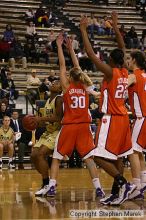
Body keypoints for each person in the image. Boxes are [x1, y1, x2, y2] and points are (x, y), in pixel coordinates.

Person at [80, 12, 136, 205]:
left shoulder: (110, 72)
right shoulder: (124, 70)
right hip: (123, 118)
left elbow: (90, 54)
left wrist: (83, 30)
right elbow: (122, 47)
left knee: (96, 156)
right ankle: (116, 192)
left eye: (108, 58)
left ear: (111, 61)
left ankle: (122, 183)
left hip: (111, 118)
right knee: (118, 156)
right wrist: (116, 26)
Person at [44, 36, 104, 198]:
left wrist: (59, 47)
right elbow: (77, 67)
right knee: (89, 158)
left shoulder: (66, 87)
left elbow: (62, 65)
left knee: (56, 158)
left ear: (70, 77)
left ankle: (51, 187)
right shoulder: (84, 86)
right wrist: (71, 48)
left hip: (69, 126)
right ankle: (98, 188)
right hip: (84, 127)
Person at [31, 79, 63, 196]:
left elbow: (58, 118)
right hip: (48, 132)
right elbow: (44, 122)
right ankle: (49, 181)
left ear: (60, 89)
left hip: (57, 132)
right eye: (53, 82)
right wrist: (35, 122)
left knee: (41, 154)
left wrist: (41, 119)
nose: (54, 83)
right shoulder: (47, 101)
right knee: (33, 155)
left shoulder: (59, 99)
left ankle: (46, 184)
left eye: (57, 83)